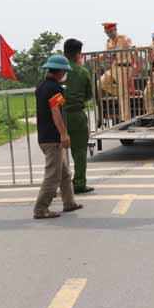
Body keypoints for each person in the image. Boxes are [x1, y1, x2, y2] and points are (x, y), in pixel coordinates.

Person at [33, 55, 83, 219]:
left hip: (44, 135)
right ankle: (41, 209)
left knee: (64, 173)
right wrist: (64, 134)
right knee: (53, 176)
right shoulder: (55, 88)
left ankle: (69, 202)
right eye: (64, 71)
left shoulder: (41, 86)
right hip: (52, 137)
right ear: (60, 71)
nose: (64, 74)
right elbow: (56, 111)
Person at [63, 38, 94, 194]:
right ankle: (79, 184)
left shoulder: (56, 70)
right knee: (80, 151)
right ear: (78, 54)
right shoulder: (82, 71)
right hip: (77, 115)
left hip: (59, 115)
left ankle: (60, 184)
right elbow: (89, 94)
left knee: (57, 153)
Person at [99, 22, 135, 123]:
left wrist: (137, 65)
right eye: (106, 32)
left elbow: (133, 49)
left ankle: (126, 120)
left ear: (115, 30)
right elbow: (105, 55)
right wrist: (95, 58)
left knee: (123, 96)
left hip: (124, 67)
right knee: (101, 83)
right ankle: (122, 93)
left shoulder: (124, 38)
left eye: (110, 32)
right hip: (115, 67)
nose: (108, 34)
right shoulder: (109, 41)